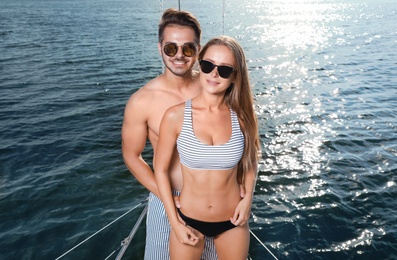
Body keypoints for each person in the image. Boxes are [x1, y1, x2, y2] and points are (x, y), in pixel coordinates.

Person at [121, 8, 218, 260]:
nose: (179, 56)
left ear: (198, 50)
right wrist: (165, 197)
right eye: (170, 48)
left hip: (216, 198)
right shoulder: (142, 101)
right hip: (169, 199)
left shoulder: (214, 88)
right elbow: (132, 156)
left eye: (188, 48)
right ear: (159, 48)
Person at [155, 36, 260, 260]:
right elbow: (160, 170)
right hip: (188, 220)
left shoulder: (242, 118)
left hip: (233, 222)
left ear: (234, 77)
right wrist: (174, 221)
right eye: (208, 65)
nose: (214, 74)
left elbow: (251, 161)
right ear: (199, 66)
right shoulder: (175, 116)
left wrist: (248, 198)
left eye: (224, 70)